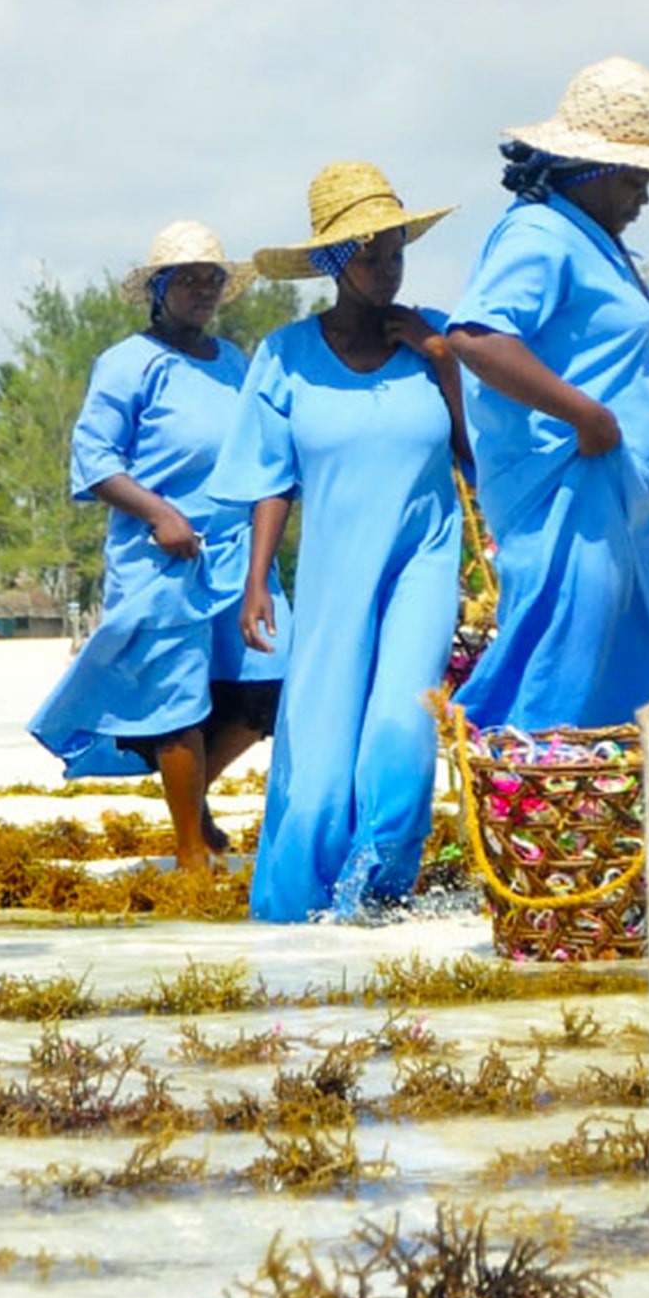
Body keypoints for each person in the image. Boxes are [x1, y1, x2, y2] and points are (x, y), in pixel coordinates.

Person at [211, 162, 466, 922]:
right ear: (329, 264)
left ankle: (377, 891)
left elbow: (481, 457)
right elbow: (269, 478)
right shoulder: (285, 356)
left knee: (399, 726)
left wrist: (444, 360)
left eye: (394, 252)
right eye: (367, 255)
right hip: (330, 574)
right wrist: (256, 583)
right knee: (318, 755)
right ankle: (297, 914)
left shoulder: (435, 340)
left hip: (423, 561)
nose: (386, 269)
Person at [446, 56, 649, 734]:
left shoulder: (595, 240)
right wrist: (585, 414)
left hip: (615, 486)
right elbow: (475, 337)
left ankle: (600, 821)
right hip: (569, 483)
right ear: (586, 171)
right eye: (633, 178)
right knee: (559, 656)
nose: (643, 196)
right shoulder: (538, 233)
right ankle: (521, 812)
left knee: (623, 663)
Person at [28, 222, 290, 874]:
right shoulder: (126, 363)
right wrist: (159, 512)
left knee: (264, 691)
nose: (203, 290)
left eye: (213, 279)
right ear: (158, 289)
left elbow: (261, 456)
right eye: (188, 279)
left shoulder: (234, 361)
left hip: (235, 554)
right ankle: (188, 855)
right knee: (175, 701)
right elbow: (94, 460)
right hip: (160, 554)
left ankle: (190, 800)